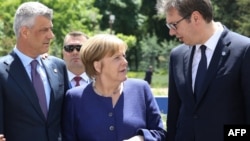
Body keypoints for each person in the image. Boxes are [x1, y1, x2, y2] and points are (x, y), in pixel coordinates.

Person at [157, 0, 250, 141]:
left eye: (174, 25)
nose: (171, 32)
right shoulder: (177, 56)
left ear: (195, 18)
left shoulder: (244, 50)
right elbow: (174, 116)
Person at [62, 34, 166, 141]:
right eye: (117, 58)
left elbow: (160, 134)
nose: (125, 62)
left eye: (124, 56)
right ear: (97, 66)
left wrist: (141, 138)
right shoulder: (74, 98)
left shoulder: (141, 89)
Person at [0, 2, 70, 141]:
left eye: (51, 29)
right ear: (25, 32)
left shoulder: (59, 66)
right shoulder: (1, 70)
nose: (51, 36)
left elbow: (66, 118)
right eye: (44, 30)